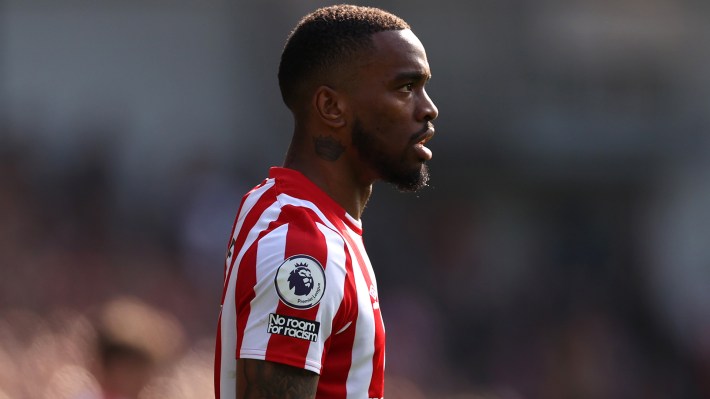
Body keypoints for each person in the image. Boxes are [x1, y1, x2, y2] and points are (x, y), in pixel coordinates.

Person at [215, 5, 438, 399]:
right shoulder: (304, 247)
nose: (427, 108)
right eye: (405, 88)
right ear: (331, 107)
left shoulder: (285, 207)